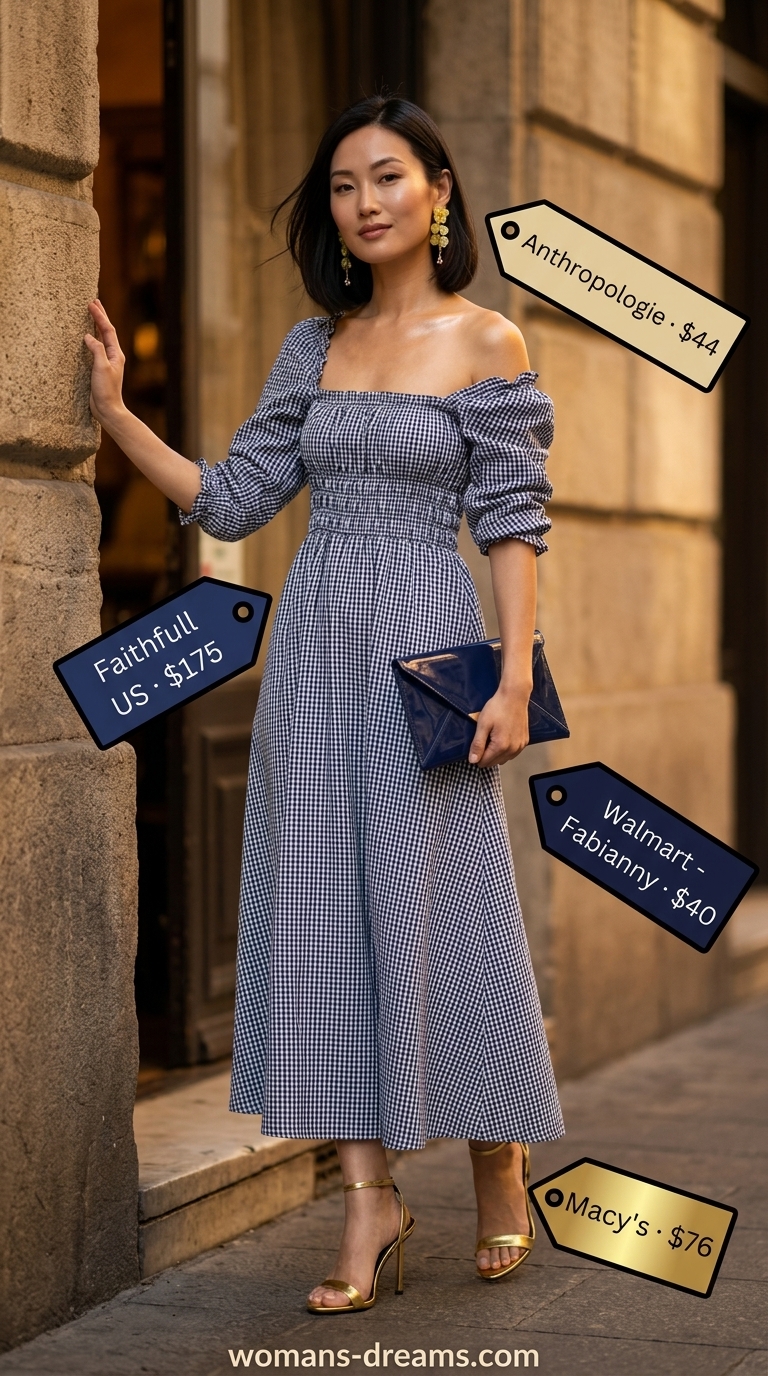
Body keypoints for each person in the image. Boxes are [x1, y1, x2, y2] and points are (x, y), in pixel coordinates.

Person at [86, 94, 564, 1314]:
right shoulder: (314, 345)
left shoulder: (489, 340)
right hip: (312, 657)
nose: (364, 203)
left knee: (452, 906)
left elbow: (512, 520)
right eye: (344, 185)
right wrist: (117, 414)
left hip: (429, 654)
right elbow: (233, 499)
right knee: (320, 914)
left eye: (387, 177)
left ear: (439, 191)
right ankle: (368, 1197)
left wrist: (514, 674)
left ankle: (496, 1147)